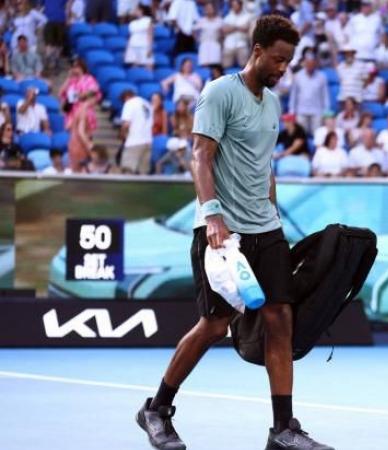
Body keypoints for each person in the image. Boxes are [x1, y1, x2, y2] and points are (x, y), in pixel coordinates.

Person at [136, 15, 334, 450]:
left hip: (266, 229)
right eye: (279, 59)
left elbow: (265, 167)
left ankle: (283, 428)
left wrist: (275, 215)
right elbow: (200, 157)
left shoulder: (274, 105)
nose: (283, 69)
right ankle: (157, 409)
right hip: (223, 233)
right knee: (214, 324)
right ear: (258, 50)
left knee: (281, 319)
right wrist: (212, 217)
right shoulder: (219, 93)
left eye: (289, 62)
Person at [289, 54, 329, 133]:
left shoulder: (321, 77)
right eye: (308, 64)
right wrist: (292, 111)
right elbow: (294, 95)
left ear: (314, 64)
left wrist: (326, 111)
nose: (310, 66)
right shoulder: (298, 76)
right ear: (305, 64)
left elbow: (325, 95)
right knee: (301, 135)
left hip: (317, 111)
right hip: (301, 111)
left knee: (318, 134)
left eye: (312, 64)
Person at [58, 58, 101, 132]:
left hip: (84, 110)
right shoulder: (72, 80)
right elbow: (61, 93)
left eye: (75, 67)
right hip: (71, 111)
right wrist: (69, 78)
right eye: (72, 67)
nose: (73, 69)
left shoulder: (89, 79)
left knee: (83, 133)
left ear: (81, 67)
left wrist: (78, 96)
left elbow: (92, 91)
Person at [119, 89, 153, 175]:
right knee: (143, 174)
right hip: (148, 141)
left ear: (126, 98)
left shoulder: (129, 103)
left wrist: (122, 135)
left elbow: (126, 124)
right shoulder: (147, 104)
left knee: (127, 171)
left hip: (134, 142)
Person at [67, 91, 98, 172]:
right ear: (91, 98)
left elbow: (69, 126)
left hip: (73, 143)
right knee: (79, 172)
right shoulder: (83, 111)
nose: (96, 101)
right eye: (95, 99)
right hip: (79, 145)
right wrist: (89, 145)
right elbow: (81, 132)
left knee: (77, 170)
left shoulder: (78, 110)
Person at [222, 0, 253, 68]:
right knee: (226, 66)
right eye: (233, 5)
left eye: (236, 5)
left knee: (244, 66)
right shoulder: (228, 16)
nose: (234, 7)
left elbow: (246, 29)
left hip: (242, 44)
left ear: (240, 5)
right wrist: (238, 28)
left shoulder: (247, 16)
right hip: (229, 44)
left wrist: (232, 28)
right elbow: (224, 30)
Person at [194, 2, 223, 67]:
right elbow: (194, 30)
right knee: (204, 65)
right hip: (204, 44)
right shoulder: (201, 20)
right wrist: (197, 40)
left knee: (215, 65)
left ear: (214, 9)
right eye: (207, 8)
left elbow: (222, 33)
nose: (209, 10)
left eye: (210, 8)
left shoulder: (219, 20)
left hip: (215, 43)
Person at [42, 0, 67, 75]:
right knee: (52, 43)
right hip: (51, 19)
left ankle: (54, 62)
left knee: (57, 43)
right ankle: (49, 62)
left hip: (58, 19)